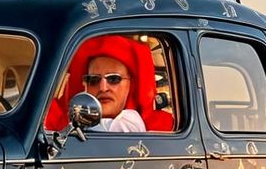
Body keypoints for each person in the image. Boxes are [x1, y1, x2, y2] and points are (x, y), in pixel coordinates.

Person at [44, 34, 175, 133]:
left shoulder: (164, 130)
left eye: (113, 79)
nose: (103, 87)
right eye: (93, 80)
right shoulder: (52, 123)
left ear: (131, 85)